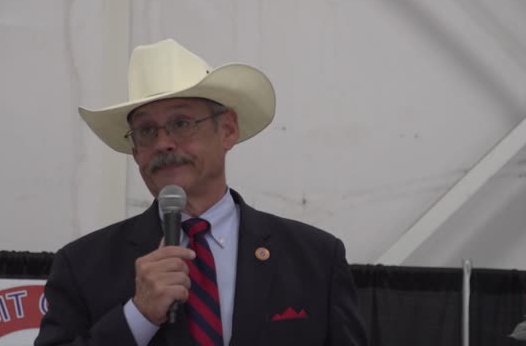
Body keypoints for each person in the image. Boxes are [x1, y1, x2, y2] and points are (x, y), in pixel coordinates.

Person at [35, 39, 367, 346]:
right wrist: (138, 315)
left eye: (181, 123)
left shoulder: (315, 258)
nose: (163, 143)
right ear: (135, 151)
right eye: (146, 130)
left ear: (228, 130)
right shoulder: (83, 265)